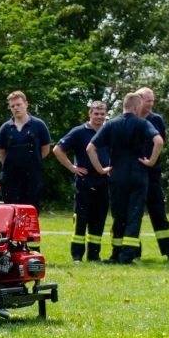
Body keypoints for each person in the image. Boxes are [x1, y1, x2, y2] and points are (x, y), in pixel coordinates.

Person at [90, 92, 163, 264]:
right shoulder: (142, 123)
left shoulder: (110, 124)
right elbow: (159, 141)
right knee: (134, 214)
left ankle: (116, 253)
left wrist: (100, 169)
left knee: (118, 214)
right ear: (137, 106)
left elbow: (90, 148)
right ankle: (128, 254)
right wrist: (151, 161)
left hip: (117, 176)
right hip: (138, 174)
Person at [52, 100, 110, 262]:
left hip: (104, 180)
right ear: (89, 114)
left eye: (102, 114)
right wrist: (72, 167)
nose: (99, 117)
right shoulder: (79, 132)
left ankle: (94, 255)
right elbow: (57, 149)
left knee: (99, 218)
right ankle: (77, 255)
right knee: (81, 217)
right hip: (85, 180)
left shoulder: (108, 131)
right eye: (96, 113)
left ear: (106, 114)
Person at [136, 88, 169, 259]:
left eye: (152, 101)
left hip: (152, 173)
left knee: (158, 213)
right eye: (148, 100)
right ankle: (133, 253)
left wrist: (152, 161)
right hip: (133, 173)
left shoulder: (156, 120)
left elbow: (161, 142)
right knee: (134, 214)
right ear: (138, 100)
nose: (150, 104)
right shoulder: (128, 119)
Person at [0, 91, 51, 213]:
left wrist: (32, 161)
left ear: (26, 104)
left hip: (32, 177)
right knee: (11, 212)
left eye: (18, 104)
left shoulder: (38, 125)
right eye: (12, 106)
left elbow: (46, 149)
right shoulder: (5, 128)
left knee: (31, 212)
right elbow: (0, 152)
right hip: (10, 178)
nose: (16, 108)